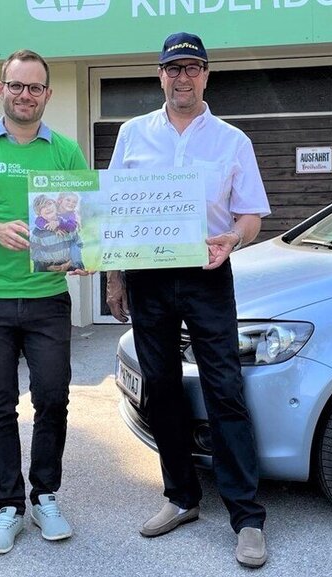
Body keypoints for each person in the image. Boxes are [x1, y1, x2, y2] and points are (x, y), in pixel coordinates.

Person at [104, 32, 272, 569]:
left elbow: (250, 216)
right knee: (161, 389)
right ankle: (181, 498)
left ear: (206, 75)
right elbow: (113, 213)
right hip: (148, 277)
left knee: (225, 389)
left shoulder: (232, 140)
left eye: (192, 68)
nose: (182, 77)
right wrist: (114, 279)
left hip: (206, 276)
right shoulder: (132, 134)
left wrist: (234, 239)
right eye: (173, 68)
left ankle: (247, 517)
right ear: (160, 75)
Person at [0, 49, 88, 555]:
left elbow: (83, 223)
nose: (26, 95)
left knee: (52, 400)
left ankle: (45, 493)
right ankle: (9, 506)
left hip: (48, 299)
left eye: (36, 87)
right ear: (2, 89)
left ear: (48, 94)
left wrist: (84, 253)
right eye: (17, 86)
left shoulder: (65, 152)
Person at [30, 195, 78, 272]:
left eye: (49, 204)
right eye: (43, 207)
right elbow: (35, 254)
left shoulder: (67, 224)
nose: (48, 208)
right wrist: (48, 267)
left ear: (55, 205)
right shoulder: (37, 232)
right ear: (39, 213)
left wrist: (69, 263)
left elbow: (77, 246)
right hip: (47, 269)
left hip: (70, 266)